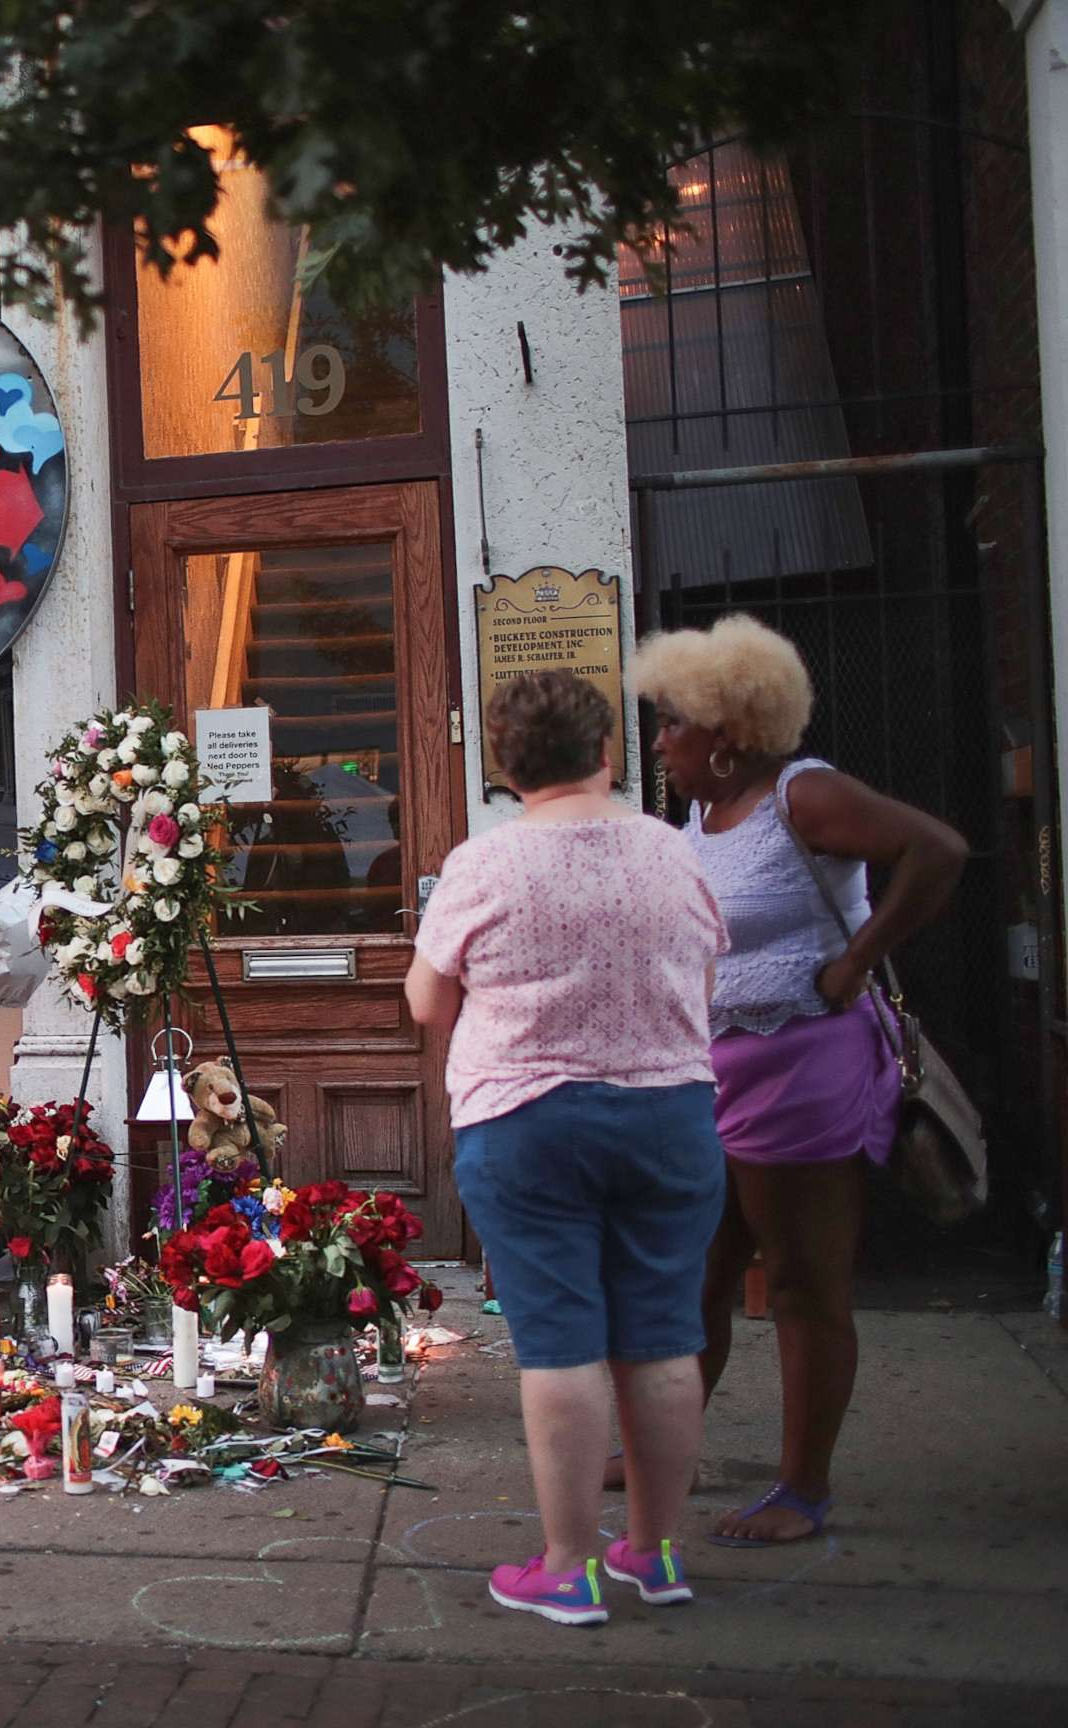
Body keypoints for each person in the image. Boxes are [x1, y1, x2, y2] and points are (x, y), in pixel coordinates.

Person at [630, 614, 964, 1547]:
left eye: (671, 725)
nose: (659, 741)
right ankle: (672, 1448)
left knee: (805, 1285)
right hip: (712, 1074)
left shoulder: (804, 797)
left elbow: (938, 850)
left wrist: (858, 958)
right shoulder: (698, 812)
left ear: (726, 736)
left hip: (803, 1069)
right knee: (697, 1272)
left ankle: (801, 1488)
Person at [405, 670, 728, 1626]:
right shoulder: (674, 853)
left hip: (528, 1119)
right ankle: (658, 1554)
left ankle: (569, 1565)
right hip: (669, 1110)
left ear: (505, 766)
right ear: (607, 753)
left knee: (560, 1340)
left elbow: (426, 1000)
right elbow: (709, 970)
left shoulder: (485, 866)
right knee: (666, 1336)